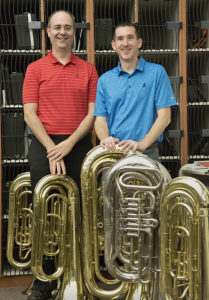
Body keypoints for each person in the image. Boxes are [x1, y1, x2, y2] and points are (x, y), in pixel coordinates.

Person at [22, 10, 98, 300]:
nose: (62, 32)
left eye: (67, 27)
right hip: (45, 144)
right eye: (57, 27)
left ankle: (78, 276)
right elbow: (30, 114)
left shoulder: (88, 69)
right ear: (48, 32)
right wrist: (52, 147)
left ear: (74, 31)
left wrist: (68, 145)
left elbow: (93, 113)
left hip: (78, 145)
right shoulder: (35, 69)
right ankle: (44, 282)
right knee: (46, 213)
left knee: (80, 212)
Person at [94, 22, 177, 160]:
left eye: (130, 37)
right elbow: (100, 119)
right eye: (120, 39)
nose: (125, 43)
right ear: (114, 45)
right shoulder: (104, 80)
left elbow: (165, 117)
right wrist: (105, 138)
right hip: (114, 152)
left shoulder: (157, 73)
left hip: (146, 152)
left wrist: (142, 144)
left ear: (139, 42)